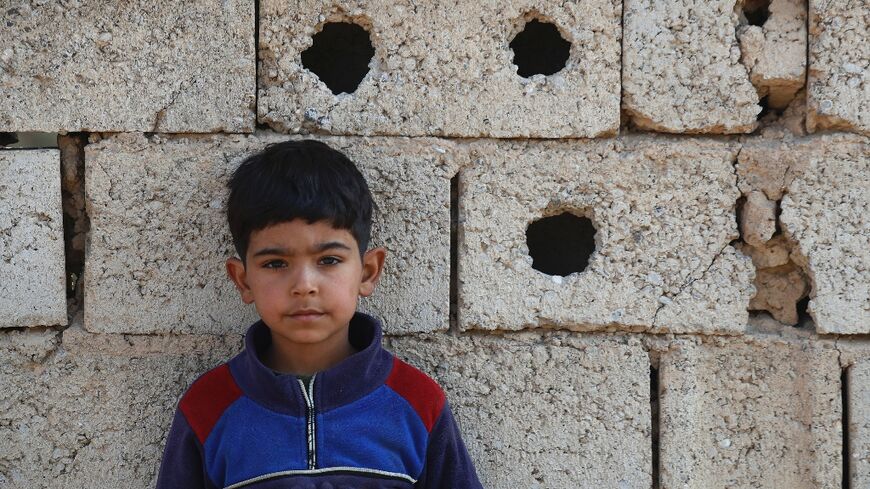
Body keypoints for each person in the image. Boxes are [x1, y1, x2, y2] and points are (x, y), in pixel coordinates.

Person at [156, 140, 482, 489]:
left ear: (368, 272)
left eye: (328, 260)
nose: (304, 285)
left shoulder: (417, 402)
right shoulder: (208, 407)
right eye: (276, 263)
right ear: (243, 280)